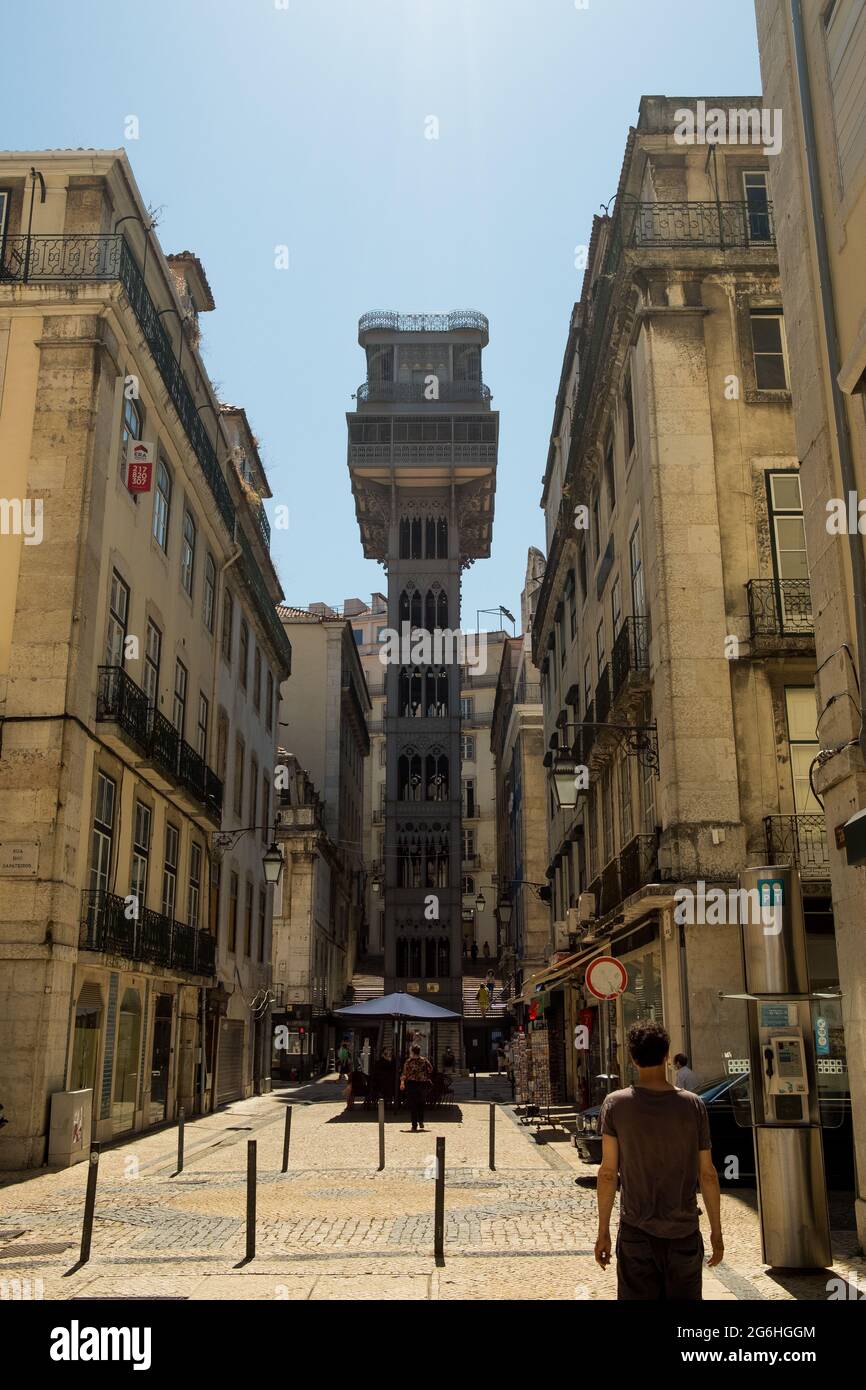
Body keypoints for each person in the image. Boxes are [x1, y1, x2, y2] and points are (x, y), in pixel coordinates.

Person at [594, 1019, 723, 1301]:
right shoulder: (693, 1105)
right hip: (684, 1233)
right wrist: (716, 1231)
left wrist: (603, 1230)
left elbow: (607, 1173)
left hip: (636, 1234)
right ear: (667, 1056)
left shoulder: (616, 1104)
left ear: (631, 1058)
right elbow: (708, 1174)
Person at [401, 1044, 433, 1132]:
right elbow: (431, 1069)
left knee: (413, 1105)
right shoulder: (424, 1060)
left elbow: (404, 1073)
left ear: (412, 1051)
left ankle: (414, 1125)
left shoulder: (408, 1061)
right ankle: (421, 1120)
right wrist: (424, 1074)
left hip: (412, 1084)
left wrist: (402, 1082)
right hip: (422, 1084)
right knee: (421, 1103)